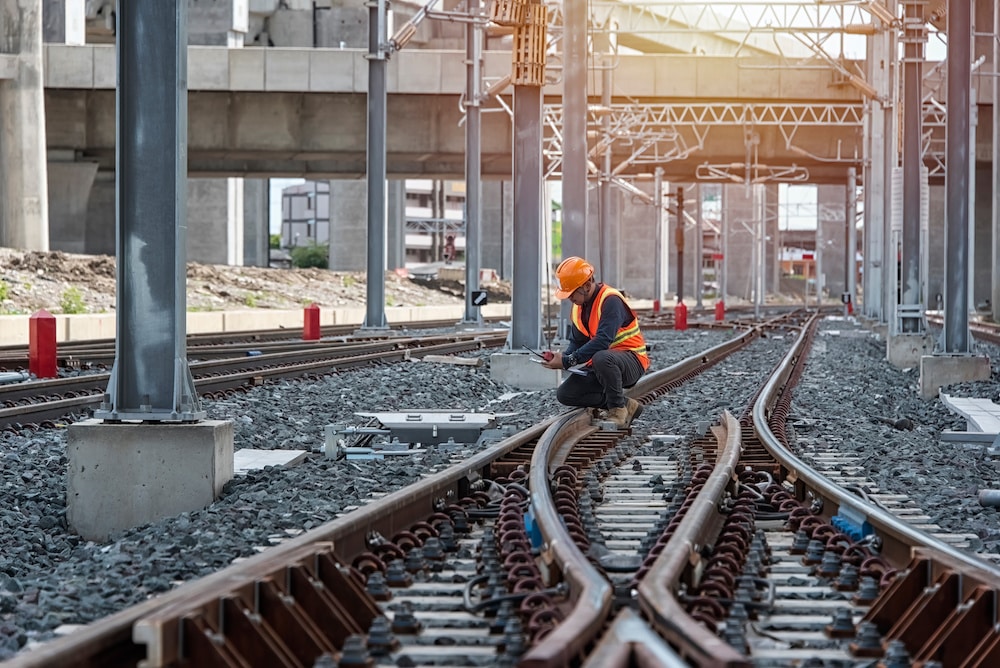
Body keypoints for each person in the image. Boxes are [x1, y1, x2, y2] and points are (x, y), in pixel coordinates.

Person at [541, 257, 649, 427]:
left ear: (586, 285)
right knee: (566, 394)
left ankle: (618, 411)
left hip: (631, 361)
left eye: (572, 293)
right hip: (602, 365)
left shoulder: (611, 300)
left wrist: (569, 361)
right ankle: (626, 404)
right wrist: (561, 357)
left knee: (601, 357)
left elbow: (602, 341)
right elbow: (576, 342)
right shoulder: (578, 307)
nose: (570, 299)